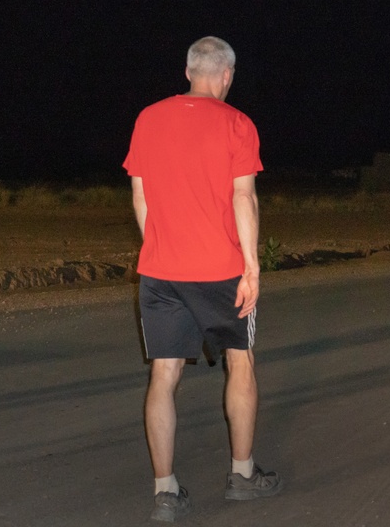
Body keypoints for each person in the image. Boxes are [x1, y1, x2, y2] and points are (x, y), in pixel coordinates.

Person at [122, 37, 282, 522]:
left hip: (161, 270)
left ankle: (165, 491)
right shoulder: (237, 124)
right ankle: (241, 474)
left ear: (189, 70)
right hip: (221, 272)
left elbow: (140, 197)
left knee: (164, 375)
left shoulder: (148, 118)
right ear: (227, 75)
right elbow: (244, 199)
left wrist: (162, 246)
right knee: (241, 363)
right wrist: (252, 266)